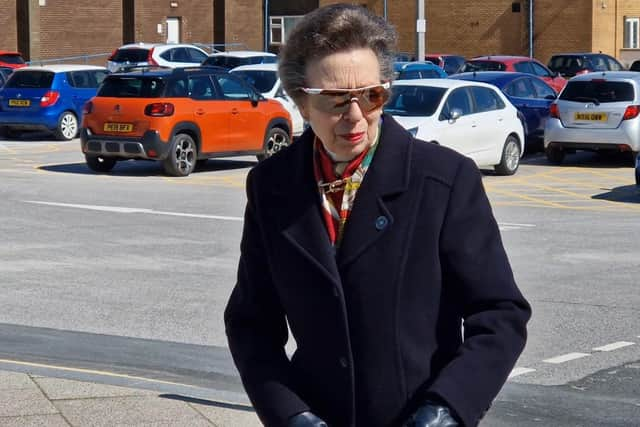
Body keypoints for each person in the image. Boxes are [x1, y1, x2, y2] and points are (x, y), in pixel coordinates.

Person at [224, 4, 531, 427]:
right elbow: (251, 323)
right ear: (300, 101)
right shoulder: (271, 185)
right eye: (334, 100)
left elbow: (500, 315)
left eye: (371, 96)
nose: (354, 116)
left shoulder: (444, 179)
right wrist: (290, 413)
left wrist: (447, 408)